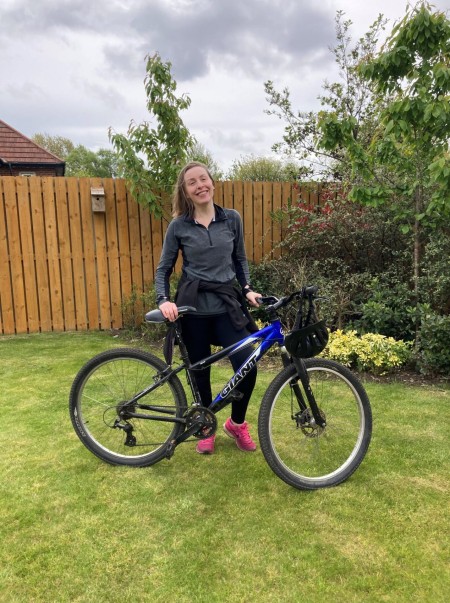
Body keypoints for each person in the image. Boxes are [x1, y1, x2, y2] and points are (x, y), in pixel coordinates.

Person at [155, 161, 261, 455]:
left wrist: (248, 289)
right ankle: (205, 426)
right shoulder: (178, 226)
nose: (200, 185)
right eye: (192, 182)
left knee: (248, 363)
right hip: (194, 310)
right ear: (186, 191)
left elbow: (240, 260)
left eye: (204, 179)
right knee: (199, 369)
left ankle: (236, 423)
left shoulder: (232, 219)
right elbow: (163, 269)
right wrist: (164, 300)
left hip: (228, 305)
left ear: (212, 183)